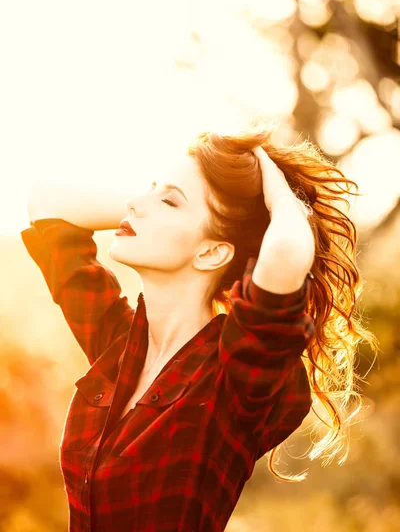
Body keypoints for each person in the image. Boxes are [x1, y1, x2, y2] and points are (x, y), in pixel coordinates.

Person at [21, 129, 378, 532]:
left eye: (170, 201)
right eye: (150, 190)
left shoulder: (233, 378)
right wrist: (151, 204)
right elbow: (47, 205)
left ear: (211, 252)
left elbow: (284, 253)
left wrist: (277, 194)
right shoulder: (119, 346)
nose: (138, 203)